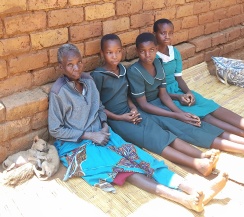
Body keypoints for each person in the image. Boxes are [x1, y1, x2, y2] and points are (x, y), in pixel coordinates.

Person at [48, 43, 228, 212]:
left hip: (102, 134)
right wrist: (89, 135)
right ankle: (183, 199)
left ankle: (193, 188)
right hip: (77, 146)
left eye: (79, 62)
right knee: (125, 167)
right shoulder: (59, 92)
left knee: (144, 159)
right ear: (61, 67)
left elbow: (99, 108)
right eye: (70, 65)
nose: (76, 68)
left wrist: (103, 126)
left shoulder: (88, 80)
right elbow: (55, 130)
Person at [126, 32, 244, 162]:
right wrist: (177, 116)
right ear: (137, 52)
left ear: (156, 49)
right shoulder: (134, 71)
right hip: (150, 111)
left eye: (151, 50)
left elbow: (164, 95)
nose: (148, 55)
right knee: (190, 129)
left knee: (197, 121)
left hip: (163, 104)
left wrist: (181, 113)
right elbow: (144, 105)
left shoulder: (158, 62)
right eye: (143, 51)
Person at [91, 34, 221, 177]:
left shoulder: (122, 70)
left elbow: (126, 94)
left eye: (118, 51)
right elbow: (97, 106)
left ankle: (203, 156)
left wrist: (133, 108)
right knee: (155, 140)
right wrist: (120, 117)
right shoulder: (98, 75)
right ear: (102, 54)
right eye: (109, 52)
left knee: (163, 133)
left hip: (132, 113)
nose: (114, 56)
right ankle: (197, 164)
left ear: (122, 51)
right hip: (116, 121)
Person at [153, 18, 244, 140]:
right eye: (163, 33)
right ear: (155, 34)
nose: (167, 36)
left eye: (170, 33)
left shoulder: (174, 52)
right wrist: (178, 97)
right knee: (205, 116)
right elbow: (157, 91)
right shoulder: (152, 57)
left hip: (180, 91)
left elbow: (178, 78)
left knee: (212, 106)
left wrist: (188, 92)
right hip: (167, 96)